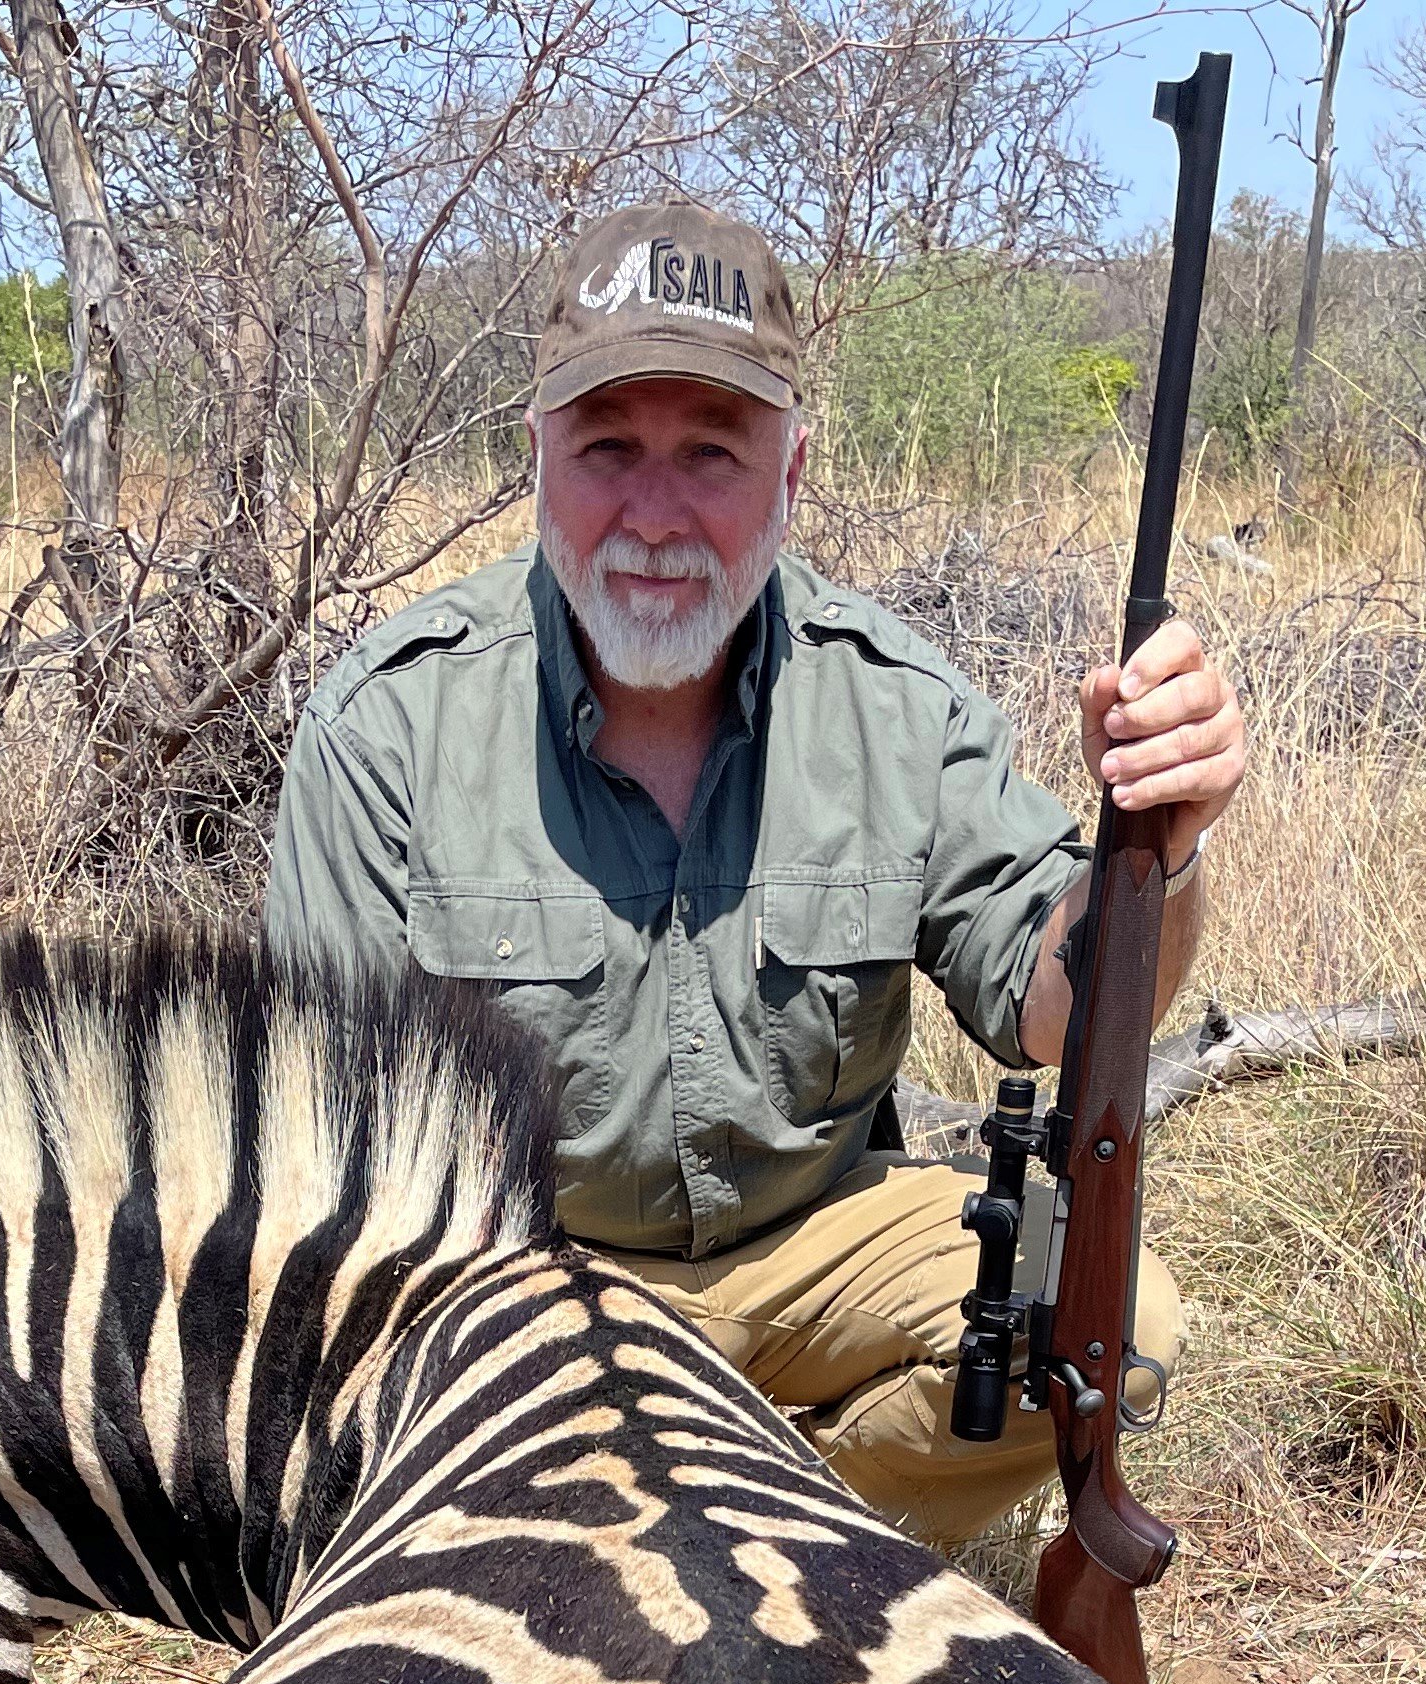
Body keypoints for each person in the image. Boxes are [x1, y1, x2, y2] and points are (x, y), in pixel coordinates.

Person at [263, 198, 1246, 1552]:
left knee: (1111, 1319)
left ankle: (761, 1566)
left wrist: (1163, 842)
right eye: (608, 447)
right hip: (532, 1289)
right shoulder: (386, 724)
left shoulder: (893, 705)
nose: (655, 514)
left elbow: (1058, 1015)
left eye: (712, 453)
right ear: (534, 461)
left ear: (790, 475)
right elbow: (331, 1166)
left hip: (812, 1248)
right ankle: (686, 1560)